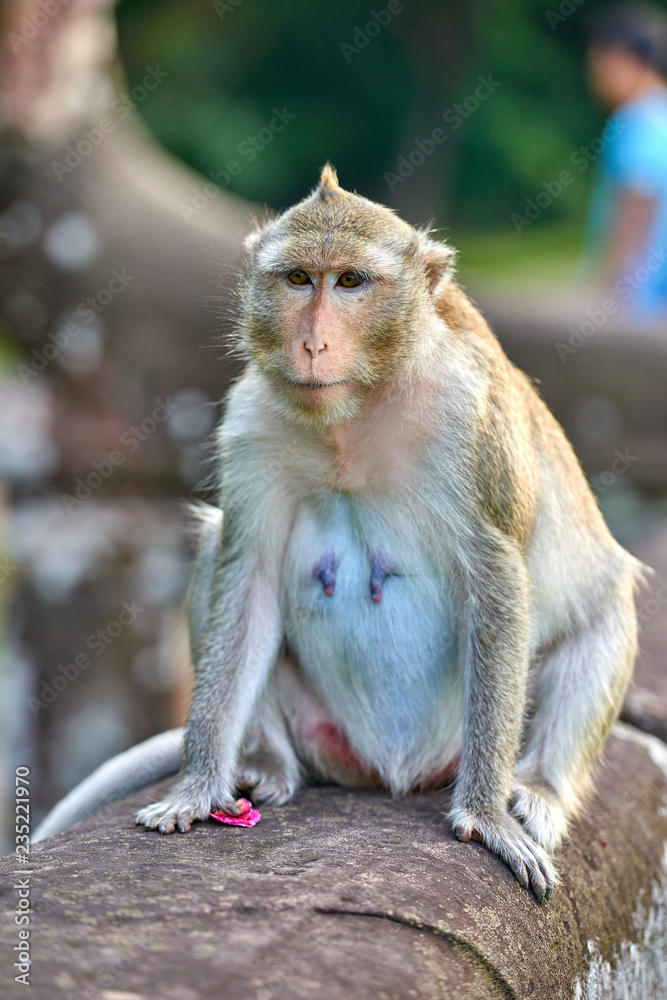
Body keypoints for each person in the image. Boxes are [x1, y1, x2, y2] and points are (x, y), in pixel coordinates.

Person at [585, 3, 667, 321]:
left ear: (620, 58)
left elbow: (638, 198)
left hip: (636, 309)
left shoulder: (636, 119)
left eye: (596, 63)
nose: (593, 76)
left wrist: (608, 292)